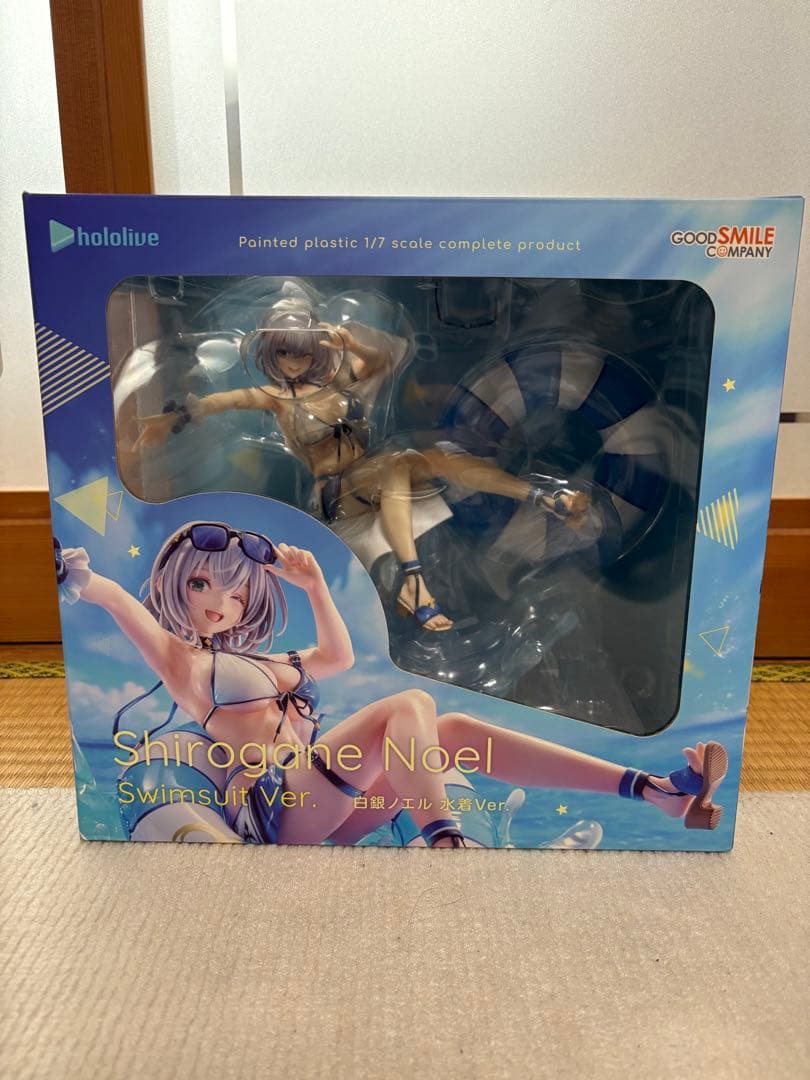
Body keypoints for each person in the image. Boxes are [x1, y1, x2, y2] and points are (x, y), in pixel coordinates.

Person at [58, 522, 728, 847]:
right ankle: (448, 844)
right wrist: (75, 574)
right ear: (179, 584)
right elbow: (115, 597)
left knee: (452, 731)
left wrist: (314, 583)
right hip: (271, 807)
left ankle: (654, 791)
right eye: (203, 584)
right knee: (410, 703)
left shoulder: (271, 660)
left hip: (326, 800)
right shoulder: (183, 664)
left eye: (235, 593)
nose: (218, 602)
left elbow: (338, 656)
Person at [133, 308, 593, 633]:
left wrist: (351, 342)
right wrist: (170, 420)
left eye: (302, 352)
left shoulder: (341, 380)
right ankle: (415, 583)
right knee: (399, 464)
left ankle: (544, 497)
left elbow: (382, 361)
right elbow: (223, 400)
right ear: (272, 355)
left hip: (370, 472)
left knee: (435, 458)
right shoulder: (276, 399)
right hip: (334, 494)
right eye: (285, 353)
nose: (295, 362)